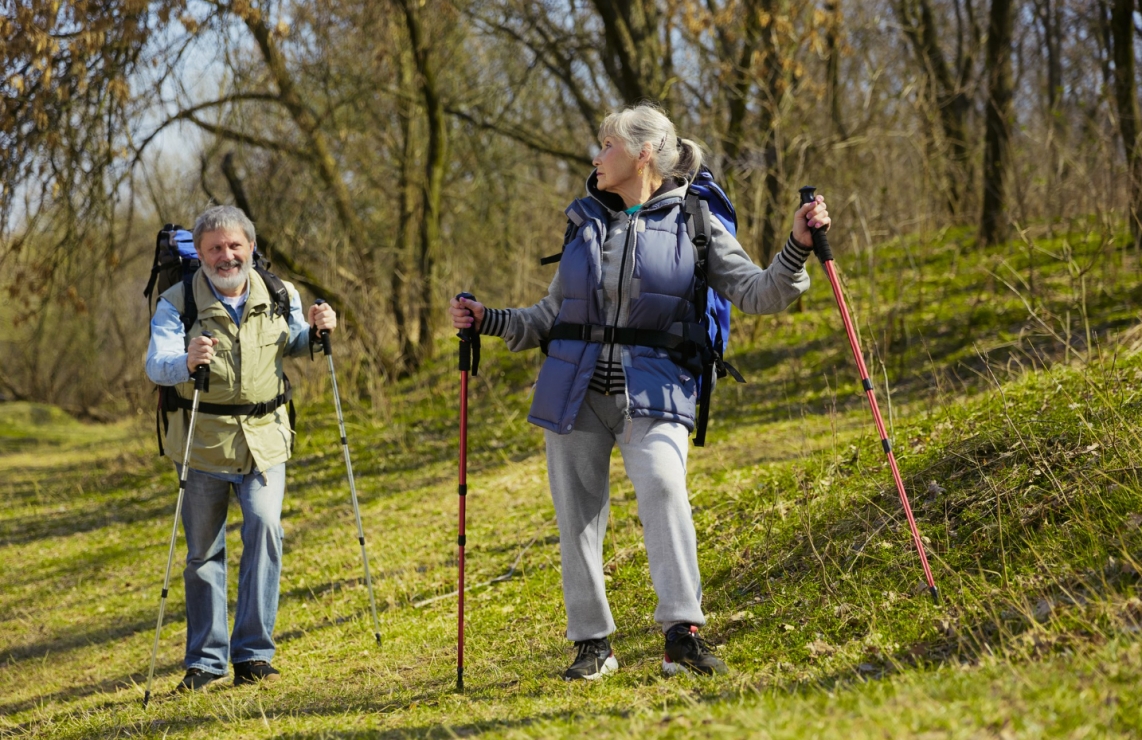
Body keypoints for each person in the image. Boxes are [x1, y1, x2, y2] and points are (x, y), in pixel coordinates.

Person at [449, 103, 830, 680]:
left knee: (662, 487)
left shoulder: (697, 223)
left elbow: (760, 292)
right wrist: (490, 319)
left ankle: (682, 633)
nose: (596, 157)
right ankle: (593, 645)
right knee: (576, 517)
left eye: (606, 145)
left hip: (655, 390)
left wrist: (797, 246)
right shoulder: (585, 222)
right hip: (574, 393)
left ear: (642, 153)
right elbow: (551, 315)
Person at [145, 205, 336, 691]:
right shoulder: (176, 302)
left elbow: (291, 342)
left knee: (266, 530)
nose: (226, 256)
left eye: (235, 246)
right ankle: (206, 663)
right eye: (215, 248)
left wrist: (315, 330)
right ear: (202, 254)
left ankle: (253, 655)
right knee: (203, 554)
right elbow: (156, 364)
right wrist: (185, 361)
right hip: (201, 443)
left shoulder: (279, 291)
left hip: (265, 439)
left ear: (251, 247)